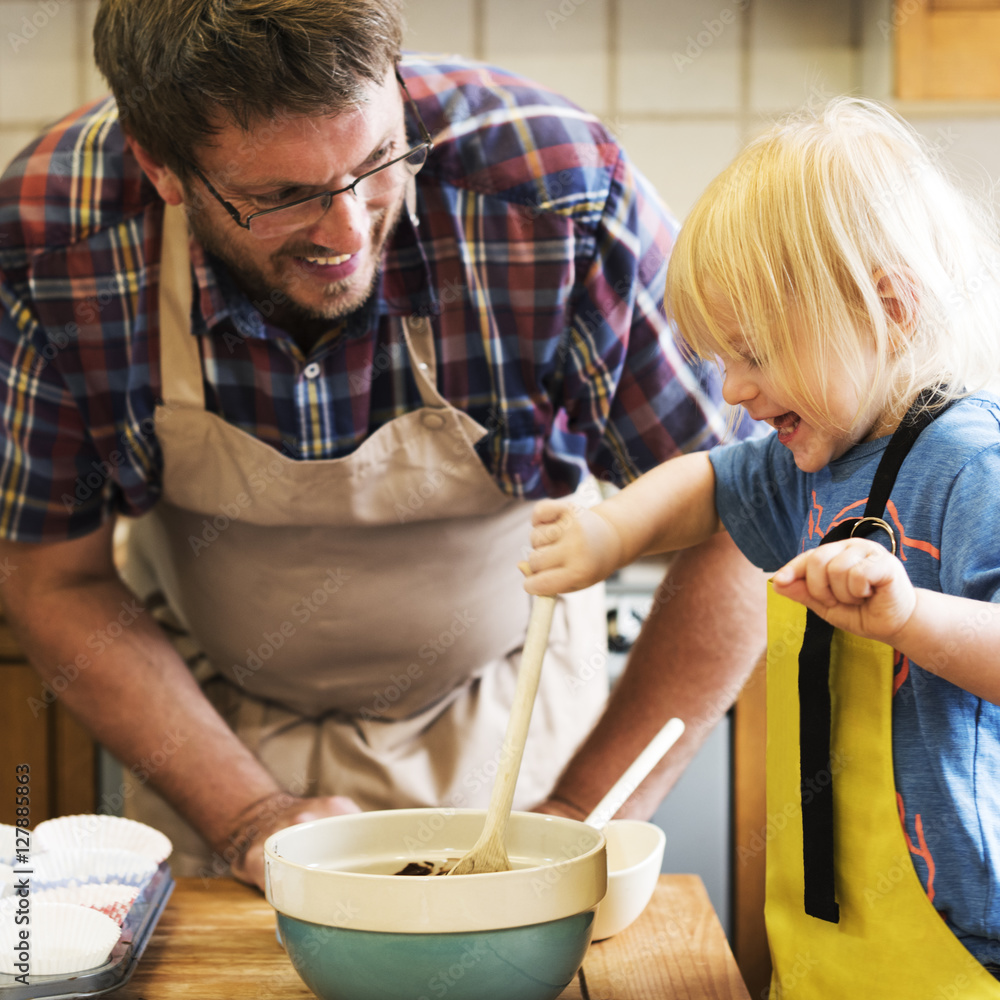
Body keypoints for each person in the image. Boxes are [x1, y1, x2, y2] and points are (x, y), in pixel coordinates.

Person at [0, 1, 766, 889]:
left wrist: (571, 818)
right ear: (161, 167)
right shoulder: (55, 239)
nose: (348, 233)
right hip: (208, 726)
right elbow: (56, 578)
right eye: (280, 197)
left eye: (376, 164)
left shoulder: (555, 199)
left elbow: (738, 517)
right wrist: (249, 815)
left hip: (510, 715)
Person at [523, 98, 1000, 996]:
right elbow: (707, 482)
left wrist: (909, 614)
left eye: (754, 352)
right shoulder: (812, 457)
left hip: (964, 944)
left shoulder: (976, 466)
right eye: (721, 359)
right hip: (826, 931)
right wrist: (610, 529)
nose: (736, 388)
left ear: (887, 310)